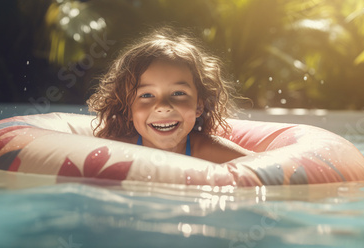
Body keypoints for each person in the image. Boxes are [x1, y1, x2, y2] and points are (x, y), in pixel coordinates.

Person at [87, 27, 251, 163]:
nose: (163, 107)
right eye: (147, 95)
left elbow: (267, 171)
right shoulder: (116, 151)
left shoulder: (210, 152)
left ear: (199, 105)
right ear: (128, 109)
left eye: (178, 93)